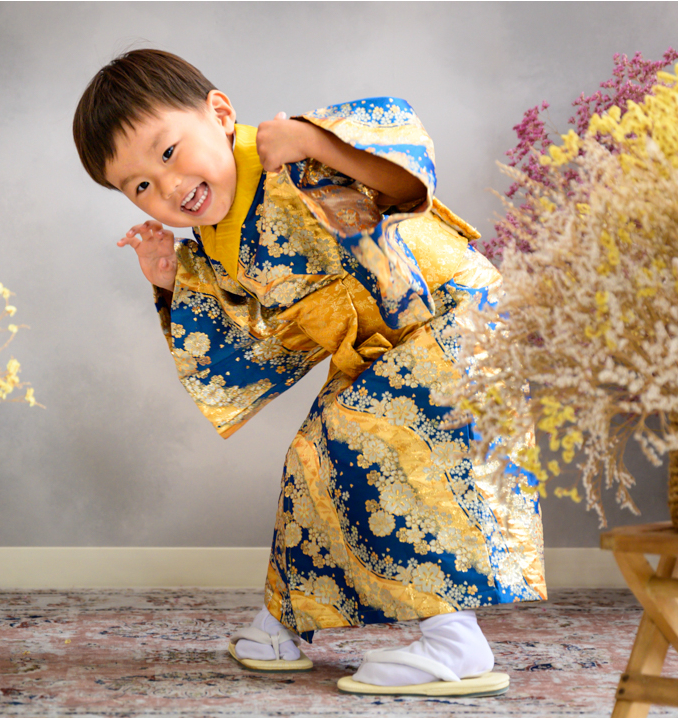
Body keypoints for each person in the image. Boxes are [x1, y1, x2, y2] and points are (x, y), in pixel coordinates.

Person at [73, 49, 546, 697]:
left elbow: (403, 182)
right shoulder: (213, 241)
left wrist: (316, 140)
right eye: (140, 188)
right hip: (378, 347)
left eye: (169, 152)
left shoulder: (288, 155)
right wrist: (170, 279)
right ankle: (283, 625)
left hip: (447, 314)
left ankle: (454, 642)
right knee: (311, 459)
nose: (170, 186)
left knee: (378, 446)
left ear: (220, 113)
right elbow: (250, 338)